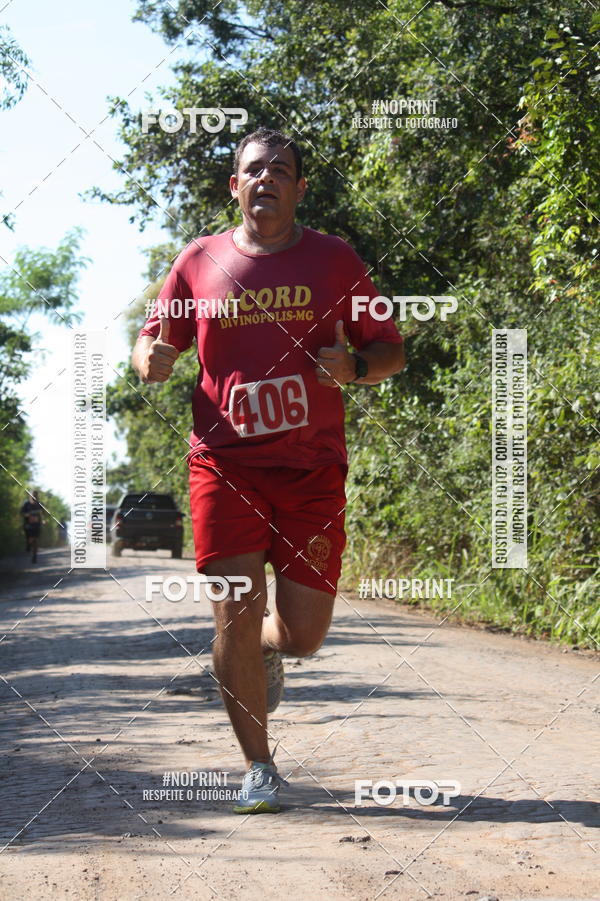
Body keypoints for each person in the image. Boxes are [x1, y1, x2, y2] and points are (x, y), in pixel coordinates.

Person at [132, 127, 405, 813]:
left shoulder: (335, 261)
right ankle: (260, 766)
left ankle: (269, 647)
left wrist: (358, 367)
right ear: (235, 186)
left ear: (300, 189)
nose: (266, 180)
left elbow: (391, 350)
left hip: (311, 468)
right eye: (254, 170)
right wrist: (151, 361)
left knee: (305, 632)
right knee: (234, 613)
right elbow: (150, 338)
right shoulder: (199, 261)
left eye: (281, 171)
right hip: (224, 467)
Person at [21, 490, 43, 563]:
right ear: (30, 495)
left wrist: (44, 520)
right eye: (33, 495)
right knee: (30, 539)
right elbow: (22, 513)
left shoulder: (39, 504)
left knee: (36, 540)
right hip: (28, 525)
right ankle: (28, 545)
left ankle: (34, 556)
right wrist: (28, 515)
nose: (34, 497)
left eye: (36, 495)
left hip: (37, 525)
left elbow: (44, 513)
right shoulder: (26, 504)